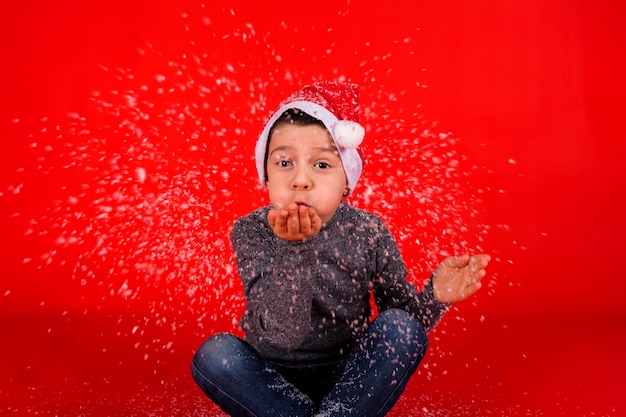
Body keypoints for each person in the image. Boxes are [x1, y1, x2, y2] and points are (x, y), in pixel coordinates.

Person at [191, 81, 490, 417]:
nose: (300, 180)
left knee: (402, 329)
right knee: (215, 355)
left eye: (321, 165)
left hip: (349, 379)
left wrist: (435, 296)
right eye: (284, 163)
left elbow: (402, 318)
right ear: (266, 177)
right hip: (268, 377)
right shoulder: (253, 230)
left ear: (347, 180)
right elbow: (282, 334)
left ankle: (336, 411)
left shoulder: (368, 231)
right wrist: (294, 249)